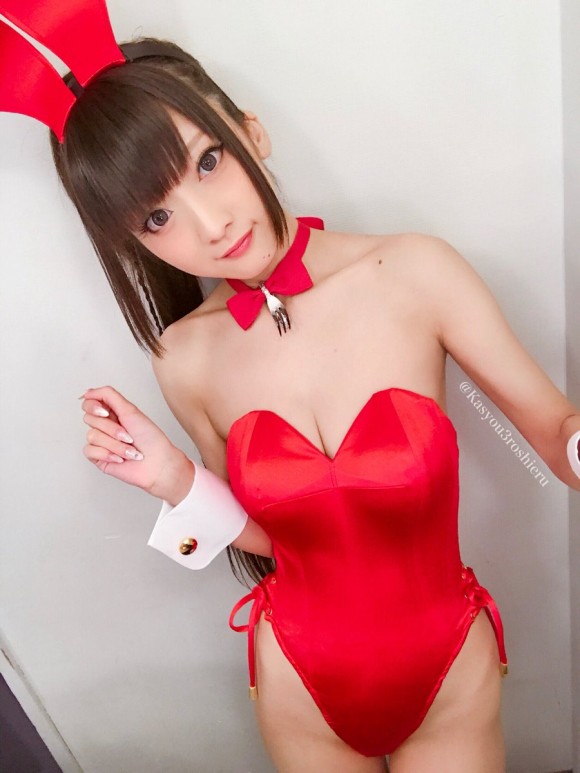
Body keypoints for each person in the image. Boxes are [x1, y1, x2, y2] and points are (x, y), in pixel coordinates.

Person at [4, 3, 580, 771]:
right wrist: (173, 480)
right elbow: (274, 540)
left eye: (209, 161)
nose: (210, 225)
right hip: (298, 689)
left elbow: (557, 435)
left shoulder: (415, 272)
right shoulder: (183, 357)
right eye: (158, 215)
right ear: (133, 241)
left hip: (448, 671)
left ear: (253, 130)